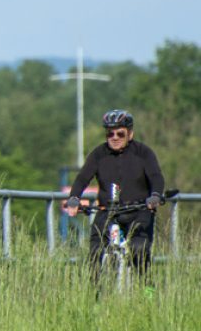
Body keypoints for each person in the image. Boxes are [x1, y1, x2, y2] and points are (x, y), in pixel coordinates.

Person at [64, 109, 165, 281]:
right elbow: (82, 178)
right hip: (107, 211)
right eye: (110, 133)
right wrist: (74, 199)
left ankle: (148, 293)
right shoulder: (98, 154)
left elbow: (156, 177)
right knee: (95, 252)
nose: (115, 137)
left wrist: (155, 196)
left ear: (130, 134)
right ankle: (95, 298)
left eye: (120, 133)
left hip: (138, 210)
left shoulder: (143, 153)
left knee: (139, 250)